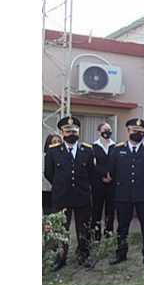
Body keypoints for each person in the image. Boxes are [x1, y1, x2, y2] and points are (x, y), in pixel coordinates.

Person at [43, 116, 96, 271]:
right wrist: (61, 185)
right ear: (62, 132)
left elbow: (91, 173)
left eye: (74, 131)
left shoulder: (87, 150)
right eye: (68, 131)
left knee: (83, 228)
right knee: (61, 229)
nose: (71, 133)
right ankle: (61, 257)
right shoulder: (53, 152)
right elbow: (49, 173)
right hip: (62, 197)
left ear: (78, 132)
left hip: (82, 196)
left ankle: (83, 255)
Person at [109, 118, 144, 265]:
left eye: (140, 131)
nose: (136, 133)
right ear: (128, 131)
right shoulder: (117, 149)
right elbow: (112, 171)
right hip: (123, 194)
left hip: (143, 194)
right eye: (134, 131)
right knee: (122, 227)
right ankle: (121, 253)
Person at [91, 122, 116, 240]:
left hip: (112, 183)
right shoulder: (93, 147)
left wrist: (111, 175)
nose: (107, 132)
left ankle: (108, 232)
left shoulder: (115, 147)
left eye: (109, 129)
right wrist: (102, 175)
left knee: (110, 209)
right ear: (99, 131)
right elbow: (93, 165)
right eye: (105, 129)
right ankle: (96, 234)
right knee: (97, 208)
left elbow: (117, 164)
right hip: (98, 183)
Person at [43, 134, 62, 215]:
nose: (57, 143)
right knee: (48, 215)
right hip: (47, 189)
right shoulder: (44, 156)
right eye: (54, 142)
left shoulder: (63, 156)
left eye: (59, 142)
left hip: (60, 191)